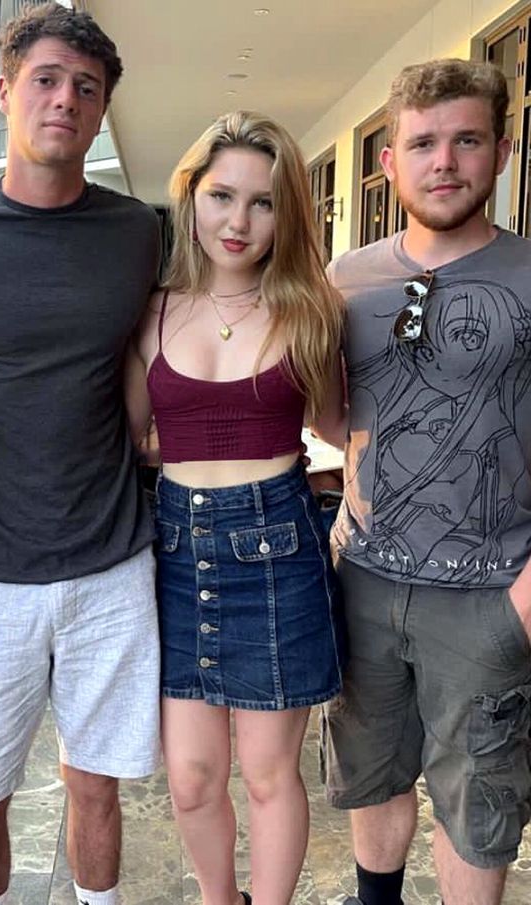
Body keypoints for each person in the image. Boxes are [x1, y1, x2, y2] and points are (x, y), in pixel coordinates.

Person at [0, 5, 161, 905]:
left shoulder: (138, 232)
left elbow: (144, 352)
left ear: (101, 113)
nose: (66, 100)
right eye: (48, 80)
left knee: (96, 781)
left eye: (86, 89)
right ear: (6, 91)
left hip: (111, 560)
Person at [318, 59, 531, 905]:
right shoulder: (348, 279)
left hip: (488, 591)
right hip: (362, 578)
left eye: (467, 140)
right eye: (423, 143)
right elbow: (334, 417)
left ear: (503, 150)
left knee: (477, 801)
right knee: (370, 773)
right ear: (389, 163)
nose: (444, 161)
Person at [125, 110, 346, 905]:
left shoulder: (310, 310)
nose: (239, 220)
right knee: (189, 776)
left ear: (287, 213)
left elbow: (343, 428)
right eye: (222, 196)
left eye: (262, 202)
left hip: (279, 547)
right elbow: (128, 440)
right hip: (180, 548)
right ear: (191, 198)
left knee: (267, 772)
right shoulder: (149, 311)